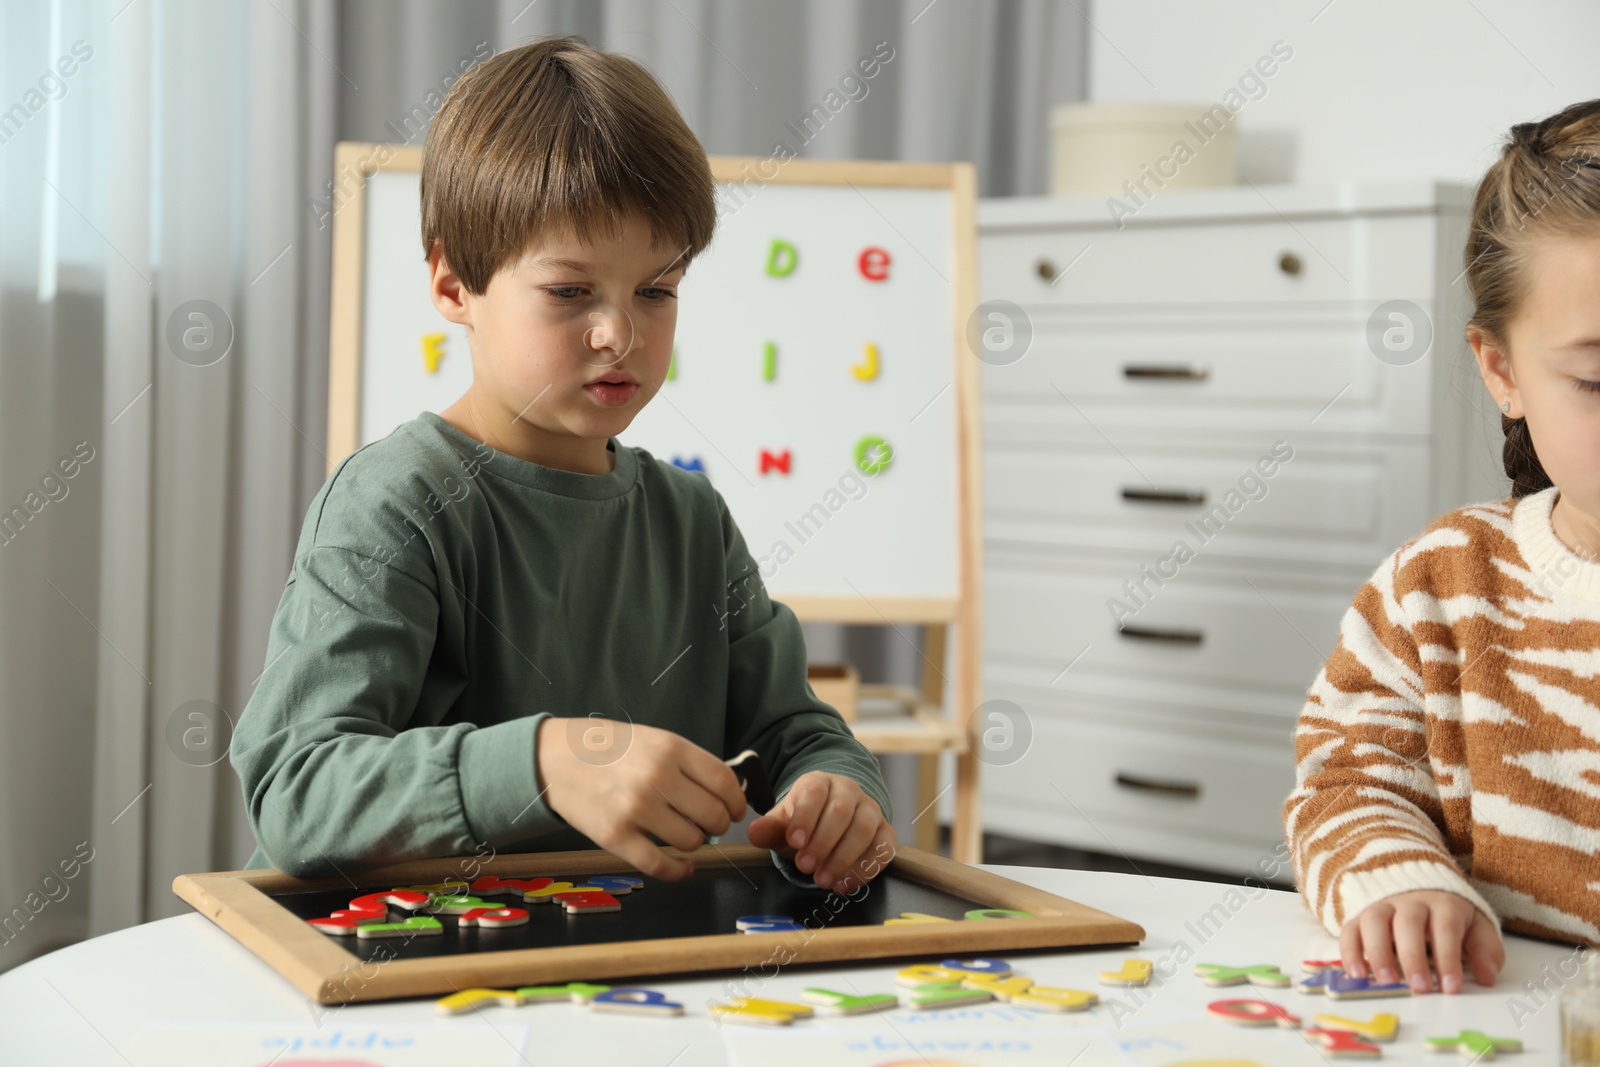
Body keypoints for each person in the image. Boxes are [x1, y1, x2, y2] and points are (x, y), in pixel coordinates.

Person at [229, 36, 895, 892]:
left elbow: (798, 730)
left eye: (656, 290)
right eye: (571, 291)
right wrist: (545, 762)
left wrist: (834, 790)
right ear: (451, 285)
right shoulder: (392, 504)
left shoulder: (691, 520)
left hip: (605, 976)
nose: (620, 333)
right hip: (393, 985)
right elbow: (297, 791)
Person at [1284, 98, 1600, 994]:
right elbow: (1347, 777)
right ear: (1503, 370)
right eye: (1598, 379)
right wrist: (1403, 878)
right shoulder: (1444, 583)